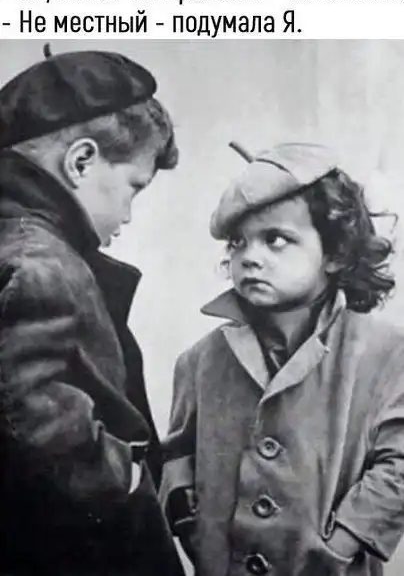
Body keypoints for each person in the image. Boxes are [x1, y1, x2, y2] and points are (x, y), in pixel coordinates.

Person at [160, 142, 404, 576]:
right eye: (238, 242)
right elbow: (178, 456)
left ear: (335, 253)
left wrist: (340, 545)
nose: (249, 258)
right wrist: (193, 531)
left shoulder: (386, 352)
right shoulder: (200, 360)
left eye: (276, 239)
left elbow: (399, 466)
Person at [0, 45, 185, 576]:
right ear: (81, 162)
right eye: (133, 188)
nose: (128, 214)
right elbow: (30, 404)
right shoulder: (41, 263)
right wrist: (120, 473)